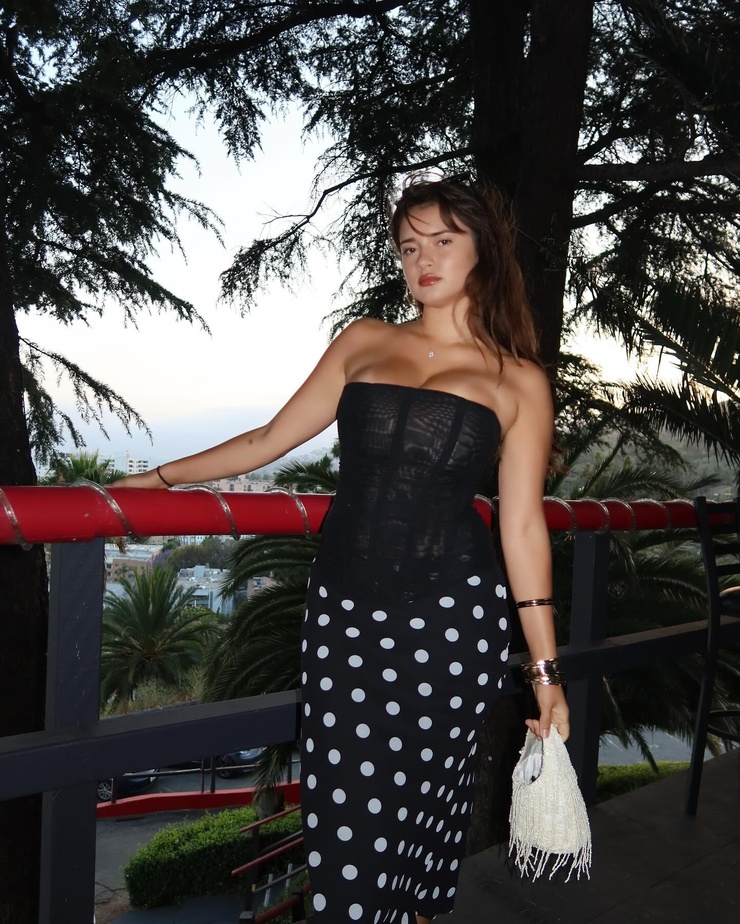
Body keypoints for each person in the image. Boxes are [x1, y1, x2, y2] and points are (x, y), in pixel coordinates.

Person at [115, 175, 569, 924]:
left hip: (450, 623)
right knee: (345, 811)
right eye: (409, 247)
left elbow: (521, 528)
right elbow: (268, 439)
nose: (423, 259)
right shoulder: (365, 339)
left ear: (483, 250)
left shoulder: (518, 379)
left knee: (422, 803)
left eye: (443, 241)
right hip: (345, 614)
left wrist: (545, 672)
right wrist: (157, 480)